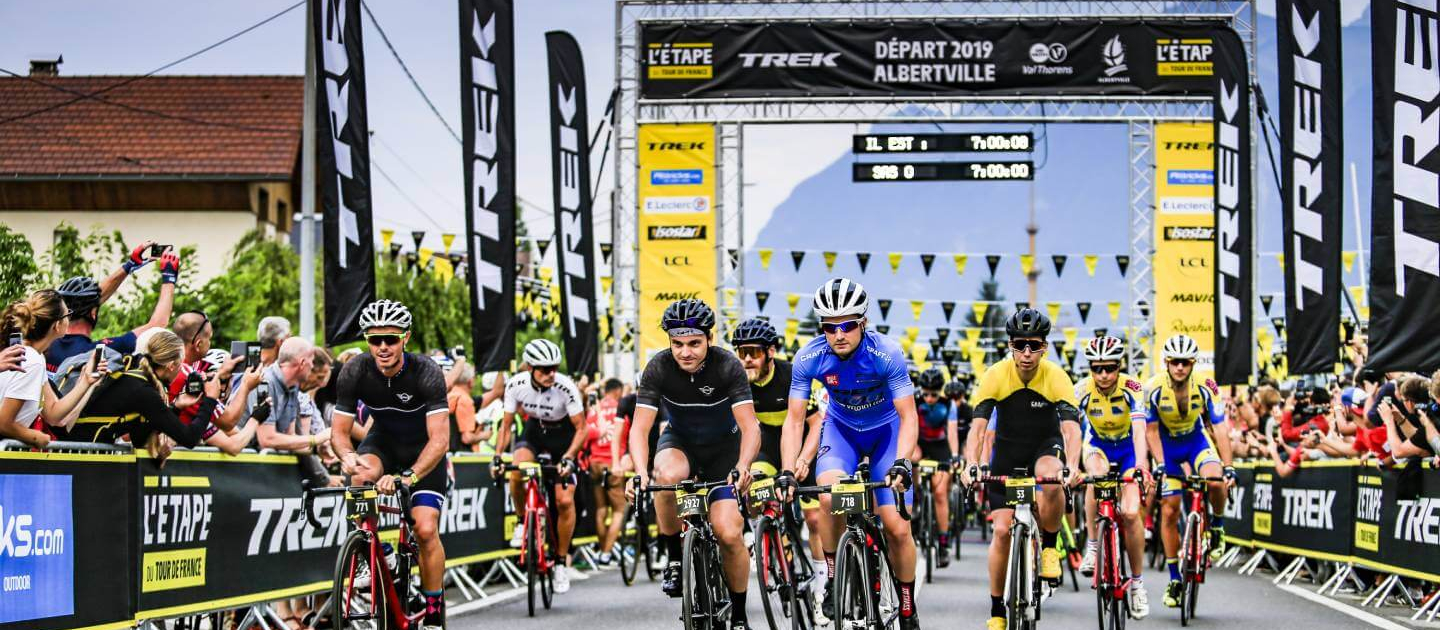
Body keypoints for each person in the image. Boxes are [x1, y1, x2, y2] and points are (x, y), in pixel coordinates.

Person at [778, 279, 921, 630]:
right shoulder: (809, 357)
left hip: (885, 434)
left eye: (848, 325)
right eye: (830, 326)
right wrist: (786, 469)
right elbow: (795, 421)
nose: (839, 334)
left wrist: (902, 460)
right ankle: (834, 573)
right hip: (842, 432)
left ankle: (906, 606)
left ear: (863, 323)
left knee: (897, 528)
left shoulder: (886, 352)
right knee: (829, 498)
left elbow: (908, 415)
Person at [627, 298, 760, 630]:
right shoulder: (658, 367)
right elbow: (640, 429)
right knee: (665, 476)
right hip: (681, 443)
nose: (685, 352)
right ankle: (674, 557)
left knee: (729, 533)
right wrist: (639, 474)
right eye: (677, 343)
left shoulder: (728, 366)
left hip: (724, 452)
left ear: (709, 340)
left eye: (694, 343)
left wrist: (743, 466)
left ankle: (740, 614)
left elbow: (750, 427)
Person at [329, 299, 449, 628]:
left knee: (424, 529)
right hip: (383, 441)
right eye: (374, 339)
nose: (382, 347)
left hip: (423, 452)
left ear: (405, 338)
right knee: (359, 473)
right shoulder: (355, 370)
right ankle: (371, 546)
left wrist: (410, 476)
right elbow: (338, 434)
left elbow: (440, 440)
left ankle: (434, 608)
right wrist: (348, 456)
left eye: (391, 339)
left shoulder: (426, 371)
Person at [960, 308, 1081, 630]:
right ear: (1010, 345)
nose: (1027, 353)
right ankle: (998, 607)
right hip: (1008, 454)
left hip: (1044, 447)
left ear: (1045, 347)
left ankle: (1051, 549)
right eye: (1020, 345)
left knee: (1053, 478)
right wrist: (972, 463)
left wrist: (1072, 466)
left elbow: (1071, 430)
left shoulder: (1056, 375)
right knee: (1001, 531)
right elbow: (978, 428)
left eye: (1035, 345)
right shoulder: (995, 374)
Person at [730, 317, 828, 587]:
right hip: (767, 445)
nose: (747, 359)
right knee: (756, 490)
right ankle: (769, 539)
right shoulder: (738, 382)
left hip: (804, 442)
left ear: (770, 352)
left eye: (754, 352)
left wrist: (803, 459)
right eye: (742, 352)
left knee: (815, 519)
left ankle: (822, 583)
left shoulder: (791, 375)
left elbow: (815, 423)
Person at [1146, 334, 1234, 609]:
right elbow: (1149, 431)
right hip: (1167, 445)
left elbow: (1219, 428)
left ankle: (1217, 527)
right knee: (1170, 509)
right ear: (1167, 363)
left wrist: (1229, 466)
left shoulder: (1207, 385)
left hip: (1195, 441)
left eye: (1185, 363)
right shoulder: (1153, 387)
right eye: (1175, 362)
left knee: (1217, 482)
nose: (1180, 368)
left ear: (1193, 363)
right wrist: (1159, 463)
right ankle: (1174, 579)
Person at [493, 338, 588, 593]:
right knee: (517, 469)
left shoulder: (566, 387)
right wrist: (497, 455)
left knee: (564, 501)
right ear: (530, 368)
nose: (551, 374)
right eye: (545, 369)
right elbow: (506, 425)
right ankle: (523, 520)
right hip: (535, 431)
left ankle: (560, 562)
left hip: (564, 436)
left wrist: (568, 457)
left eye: (554, 368)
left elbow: (582, 429)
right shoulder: (516, 384)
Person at [1074, 336, 1151, 618]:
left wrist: (1142, 465)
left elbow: (1141, 430)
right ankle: (1093, 547)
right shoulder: (1080, 389)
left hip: (1129, 449)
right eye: (1097, 368)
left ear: (1119, 366)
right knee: (1097, 477)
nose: (1103, 375)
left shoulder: (1133, 388)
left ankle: (1138, 585)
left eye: (1109, 368)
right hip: (1098, 446)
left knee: (1131, 513)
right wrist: (1071, 466)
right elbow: (1071, 431)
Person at [0, 290, 112, 447]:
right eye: (68, 314)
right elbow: (4, 423)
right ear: (57, 325)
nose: (70, 319)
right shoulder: (31, 360)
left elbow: (53, 414)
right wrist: (35, 437)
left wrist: (86, 381)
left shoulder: (35, 357)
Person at [44, 242, 177, 371]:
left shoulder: (45, 342)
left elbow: (88, 300)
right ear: (93, 313)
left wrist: (129, 266)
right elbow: (157, 325)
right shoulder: (100, 351)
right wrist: (169, 278)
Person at [585, 378, 628, 566]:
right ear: (617, 391)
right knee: (620, 510)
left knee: (601, 510)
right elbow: (626, 437)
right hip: (613, 463)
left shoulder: (595, 409)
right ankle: (606, 552)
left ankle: (602, 552)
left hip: (595, 464)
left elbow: (586, 434)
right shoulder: (621, 409)